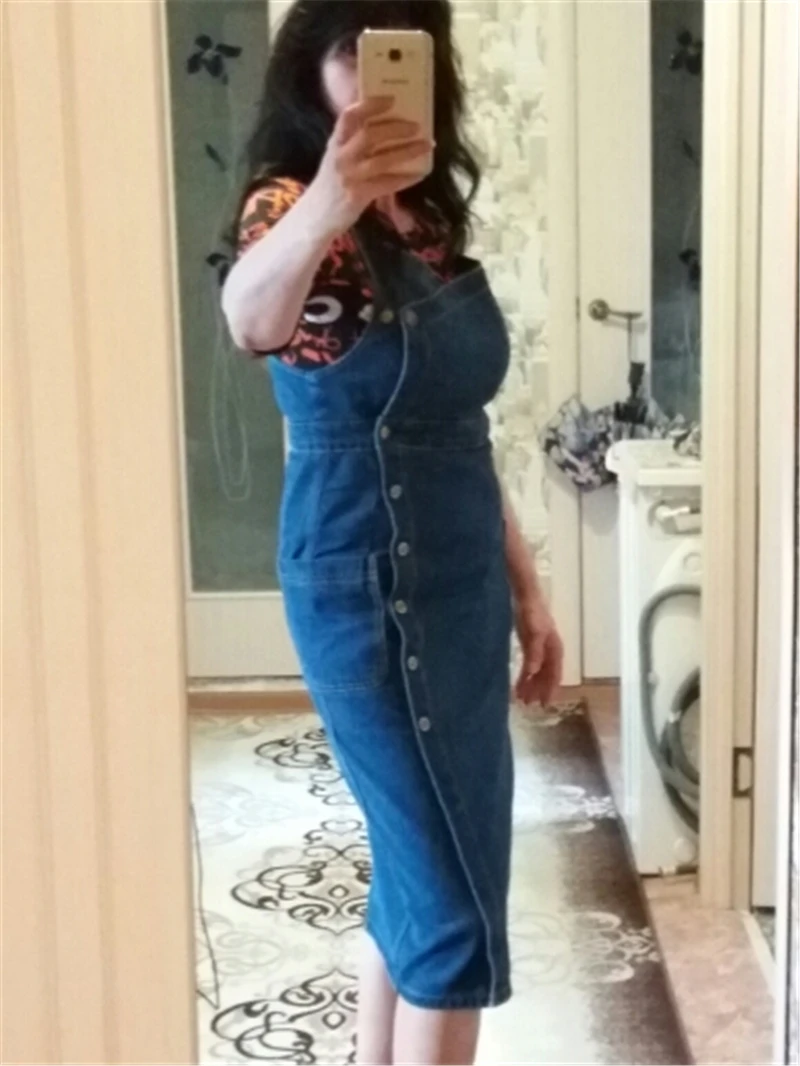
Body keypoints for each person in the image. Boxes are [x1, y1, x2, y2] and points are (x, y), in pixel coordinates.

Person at [222, 3, 563, 1062]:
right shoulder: (290, 205)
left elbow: (454, 429)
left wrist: (525, 587)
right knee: (454, 910)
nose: (372, 74)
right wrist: (332, 196)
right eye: (351, 49)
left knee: (419, 872)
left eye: (402, 47)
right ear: (311, 68)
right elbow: (248, 318)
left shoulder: (426, 215)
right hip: (364, 584)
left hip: (460, 581)